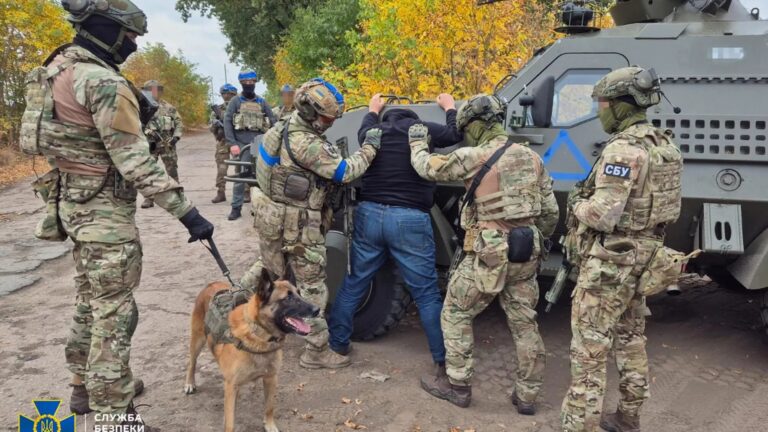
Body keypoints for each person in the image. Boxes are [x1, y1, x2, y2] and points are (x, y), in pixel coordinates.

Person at [20, 1, 214, 430]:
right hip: (104, 214)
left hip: (72, 204)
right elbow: (136, 163)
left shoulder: (56, 70)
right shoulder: (103, 82)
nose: (134, 44)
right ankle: (114, 415)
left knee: (90, 300)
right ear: (106, 29)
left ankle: (83, 388)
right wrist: (188, 214)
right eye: (130, 36)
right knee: (115, 314)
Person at [412, 94, 559, 413]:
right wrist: (532, 238)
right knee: (525, 323)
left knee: (455, 312)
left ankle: (457, 386)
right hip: (526, 250)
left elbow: (426, 168)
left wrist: (417, 142)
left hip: (490, 252)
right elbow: (550, 213)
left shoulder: (475, 156)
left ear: (477, 126)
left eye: (466, 129)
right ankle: (527, 396)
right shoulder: (532, 158)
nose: (466, 135)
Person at [560, 67, 683, 432]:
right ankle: (628, 418)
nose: (599, 111)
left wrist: (577, 204)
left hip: (613, 260)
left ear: (619, 105)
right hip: (646, 255)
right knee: (630, 338)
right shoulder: (664, 144)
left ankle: (579, 425)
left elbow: (602, 215)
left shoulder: (623, 149)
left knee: (590, 346)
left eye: (602, 103)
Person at [240, 78, 381, 369]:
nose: (331, 123)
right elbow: (345, 171)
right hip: (299, 226)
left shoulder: (282, 126)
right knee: (313, 287)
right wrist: (370, 146)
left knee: (268, 271)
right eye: (328, 118)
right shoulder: (305, 143)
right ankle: (316, 351)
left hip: (274, 218)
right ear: (309, 111)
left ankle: (231, 307)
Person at [328, 93, 463, 369]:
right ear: (413, 119)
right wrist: (450, 107)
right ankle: (443, 362)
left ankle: (338, 344)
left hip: (370, 214)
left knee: (354, 283)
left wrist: (372, 109)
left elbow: (363, 128)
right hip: (409, 219)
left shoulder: (374, 132)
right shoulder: (422, 130)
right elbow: (454, 134)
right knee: (426, 293)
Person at [224, 70, 276, 220]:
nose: (249, 84)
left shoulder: (261, 102)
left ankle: (262, 207)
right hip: (241, 144)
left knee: (263, 176)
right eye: (246, 82)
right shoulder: (235, 101)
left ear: (255, 83)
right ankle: (236, 207)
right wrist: (232, 143)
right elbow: (227, 122)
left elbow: (273, 121)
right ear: (241, 83)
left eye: (251, 82)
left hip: (259, 143)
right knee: (241, 176)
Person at [141, 79, 183, 208]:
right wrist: (147, 131)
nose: (154, 92)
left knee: (172, 169)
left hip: (167, 143)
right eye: (151, 90)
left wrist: (176, 137)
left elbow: (179, 123)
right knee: (148, 171)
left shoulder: (169, 107)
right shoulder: (142, 108)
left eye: (157, 90)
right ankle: (149, 198)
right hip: (150, 144)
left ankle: (177, 195)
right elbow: (136, 123)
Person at [210, 83, 238, 203]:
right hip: (223, 142)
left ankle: (245, 192)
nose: (226, 96)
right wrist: (217, 126)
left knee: (241, 167)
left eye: (229, 94)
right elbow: (211, 127)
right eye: (224, 94)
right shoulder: (217, 110)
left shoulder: (239, 108)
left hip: (237, 141)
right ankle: (221, 192)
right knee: (222, 168)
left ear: (234, 95)